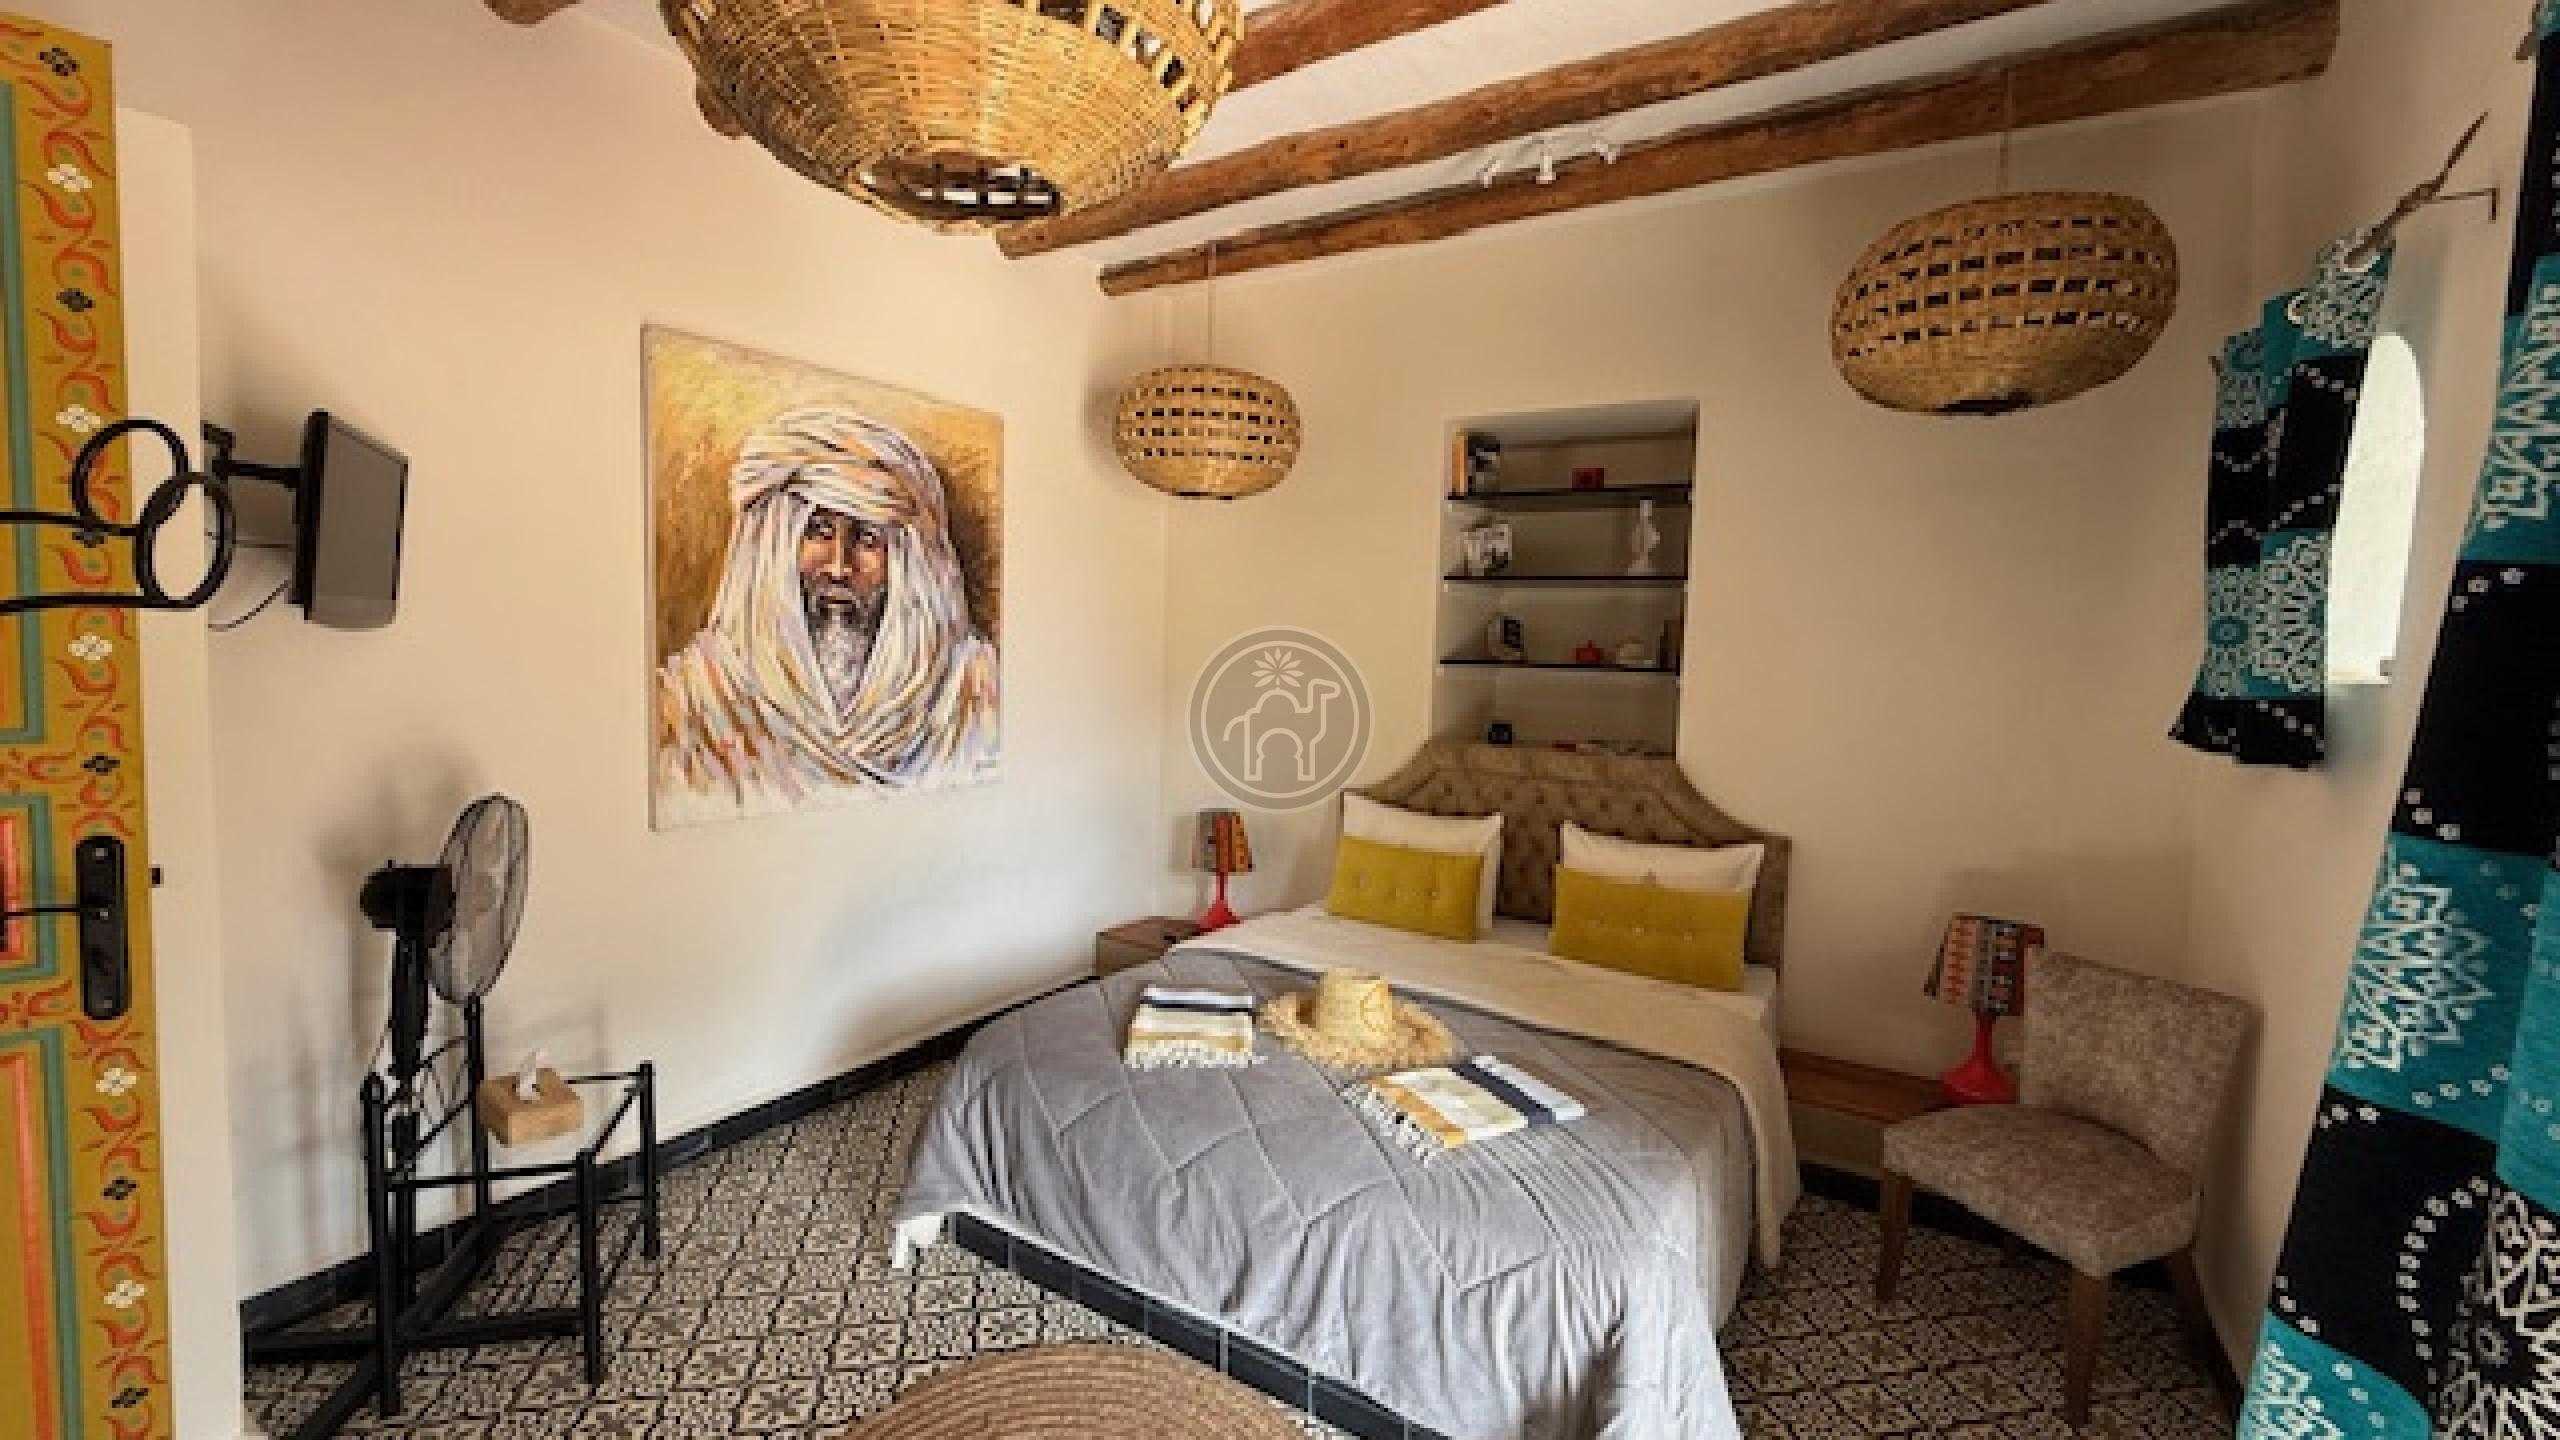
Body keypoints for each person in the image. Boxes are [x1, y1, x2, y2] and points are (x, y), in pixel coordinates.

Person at [656, 406, 997, 821]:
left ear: (908, 564)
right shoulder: (696, 702)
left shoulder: (970, 692)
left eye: (867, 539)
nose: (839, 568)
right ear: (775, 547)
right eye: (818, 532)